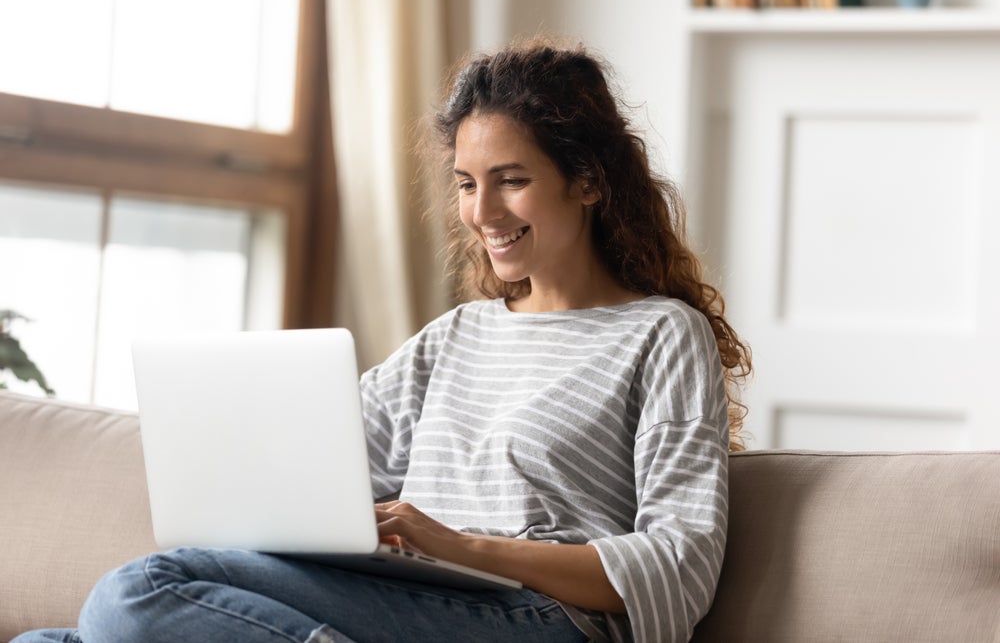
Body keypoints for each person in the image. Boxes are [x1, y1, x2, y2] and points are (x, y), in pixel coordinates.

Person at [13, 38, 751, 643]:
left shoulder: (661, 334)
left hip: (545, 619)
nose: (481, 210)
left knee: (135, 594)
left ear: (587, 180)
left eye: (512, 179)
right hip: (416, 595)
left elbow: (676, 565)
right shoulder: (457, 337)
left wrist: (453, 543)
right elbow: (318, 466)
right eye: (466, 182)